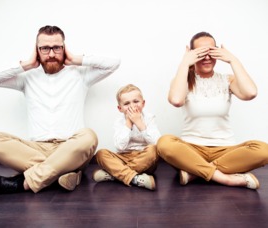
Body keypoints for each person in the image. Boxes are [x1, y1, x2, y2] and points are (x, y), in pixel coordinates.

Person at [0, 25, 120, 194]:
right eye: (45, 48)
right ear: (36, 50)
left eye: (57, 47)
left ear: (64, 47)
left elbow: (114, 63)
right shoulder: (27, 77)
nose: (51, 54)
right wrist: (26, 65)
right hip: (35, 148)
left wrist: (75, 59)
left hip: (71, 148)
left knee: (89, 136)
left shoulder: (80, 75)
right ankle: (63, 172)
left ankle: (21, 183)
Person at [157, 31, 268, 190]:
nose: (207, 57)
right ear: (192, 54)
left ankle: (195, 173)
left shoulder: (227, 80)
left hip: (225, 151)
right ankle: (225, 178)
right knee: (164, 143)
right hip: (191, 150)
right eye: (201, 52)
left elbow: (250, 93)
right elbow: (176, 100)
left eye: (211, 51)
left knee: (263, 150)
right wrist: (184, 63)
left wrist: (233, 60)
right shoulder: (182, 79)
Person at [93, 84, 161, 190]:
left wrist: (139, 123)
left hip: (144, 160)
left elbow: (156, 142)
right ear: (120, 108)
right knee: (101, 153)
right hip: (123, 157)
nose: (132, 106)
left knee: (154, 149)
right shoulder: (119, 122)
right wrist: (129, 122)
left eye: (136, 101)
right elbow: (120, 146)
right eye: (126, 103)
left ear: (143, 103)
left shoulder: (149, 118)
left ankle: (115, 175)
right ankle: (135, 178)